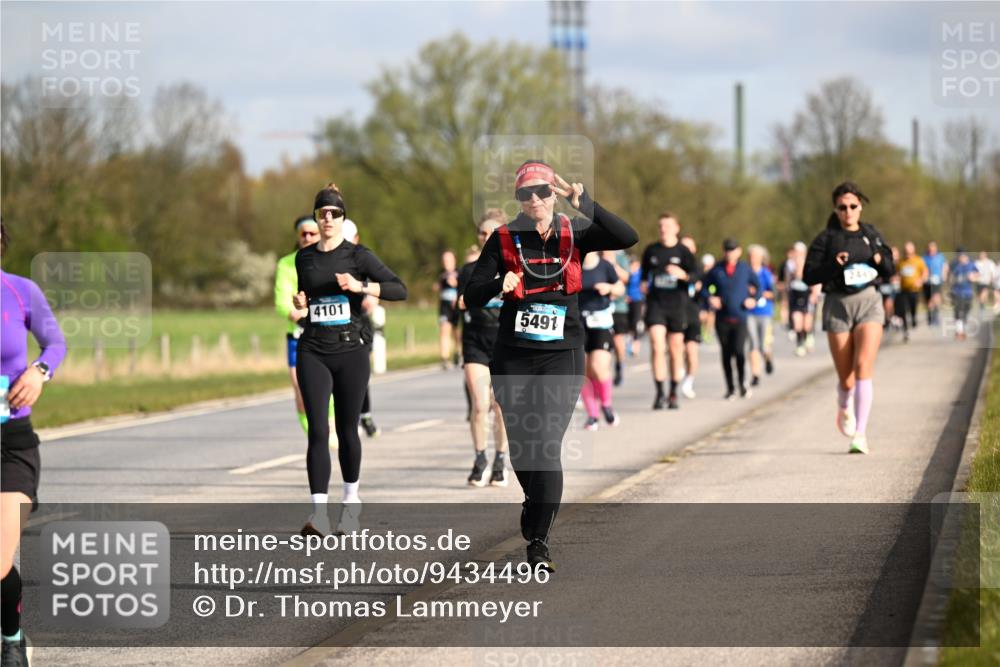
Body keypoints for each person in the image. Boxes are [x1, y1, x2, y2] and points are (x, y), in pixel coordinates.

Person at [464, 160, 637, 571]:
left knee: (545, 443)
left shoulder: (575, 232)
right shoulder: (503, 239)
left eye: (543, 191)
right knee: (524, 448)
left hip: (563, 353)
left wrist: (585, 203)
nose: (536, 199)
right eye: (527, 193)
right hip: (513, 355)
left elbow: (627, 236)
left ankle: (539, 541)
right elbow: (471, 295)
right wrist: (498, 284)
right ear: (518, 199)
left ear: (553, 195)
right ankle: (535, 500)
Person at [293, 184, 407, 537]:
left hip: (351, 351)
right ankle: (319, 514)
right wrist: (301, 303)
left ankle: (351, 503)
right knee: (318, 430)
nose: (328, 218)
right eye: (322, 213)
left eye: (334, 213)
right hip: (313, 349)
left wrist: (361, 287)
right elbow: (307, 297)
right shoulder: (304, 258)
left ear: (343, 219)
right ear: (316, 217)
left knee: (346, 429)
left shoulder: (359, 256)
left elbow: (399, 289)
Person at [1, 221, 67, 666]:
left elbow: (55, 343)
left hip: (12, 445)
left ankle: (11, 639)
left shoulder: (20, 291)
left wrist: (39, 372)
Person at [804, 181, 894, 455]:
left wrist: (878, 260)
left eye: (853, 206)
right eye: (842, 207)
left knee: (863, 365)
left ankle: (860, 434)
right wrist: (834, 264)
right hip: (837, 305)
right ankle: (844, 405)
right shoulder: (826, 239)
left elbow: (890, 269)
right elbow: (809, 276)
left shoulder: (871, 235)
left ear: (860, 207)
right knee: (847, 379)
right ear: (836, 209)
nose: (848, 211)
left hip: (868, 302)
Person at [275, 215, 338, 447]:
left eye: (313, 233)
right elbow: (282, 301)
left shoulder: (329, 258)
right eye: (304, 234)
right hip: (298, 335)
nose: (308, 237)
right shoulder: (286, 264)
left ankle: (331, 425)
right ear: (298, 236)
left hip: (326, 332)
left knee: (329, 386)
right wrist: (294, 311)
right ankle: (315, 435)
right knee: (300, 390)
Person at [457, 210, 509, 487]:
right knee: (480, 405)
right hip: (475, 341)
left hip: (504, 341)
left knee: (500, 406)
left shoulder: (513, 266)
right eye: (482, 233)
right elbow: (460, 303)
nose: (486, 237)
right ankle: (480, 460)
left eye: (492, 232)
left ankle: (500, 460)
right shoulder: (468, 270)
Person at [640, 213, 698, 410]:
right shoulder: (651, 250)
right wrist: (643, 284)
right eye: (661, 226)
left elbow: (696, 275)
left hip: (677, 306)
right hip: (656, 304)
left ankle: (673, 391)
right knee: (657, 346)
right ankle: (659, 392)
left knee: (675, 350)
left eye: (667, 226)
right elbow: (644, 275)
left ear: (676, 228)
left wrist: (683, 275)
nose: (663, 229)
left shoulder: (683, 251)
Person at [705, 239, 759, 399]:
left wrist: (753, 299)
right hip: (722, 318)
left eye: (733, 250)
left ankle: (742, 384)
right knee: (726, 353)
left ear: (739, 251)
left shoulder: (745, 268)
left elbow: (759, 286)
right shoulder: (717, 269)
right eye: (727, 250)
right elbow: (704, 287)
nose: (730, 253)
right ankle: (730, 388)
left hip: (740, 317)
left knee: (739, 351)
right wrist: (710, 298)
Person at [343, 218, 381, 438]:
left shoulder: (363, 260)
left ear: (356, 239)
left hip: (360, 324)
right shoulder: (328, 259)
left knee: (360, 375)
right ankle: (349, 418)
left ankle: (365, 414)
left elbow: (380, 287)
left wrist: (370, 299)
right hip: (336, 327)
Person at [580, 252, 625, 430]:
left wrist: (609, 288)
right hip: (577, 321)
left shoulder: (605, 265)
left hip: (601, 321)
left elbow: (620, 288)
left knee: (598, 366)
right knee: (583, 371)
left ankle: (606, 405)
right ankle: (592, 415)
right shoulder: (572, 263)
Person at [745, 244, 776, 386]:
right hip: (749, 312)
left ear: (761, 258)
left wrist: (759, 293)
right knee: (753, 343)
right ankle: (755, 374)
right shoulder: (744, 272)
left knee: (763, 345)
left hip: (764, 312)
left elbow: (773, 293)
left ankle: (768, 358)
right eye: (750, 256)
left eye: (755, 257)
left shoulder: (765, 273)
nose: (753, 259)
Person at [678, 236, 703, 399]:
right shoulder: (672, 266)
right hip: (676, 313)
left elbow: (704, 287)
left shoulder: (698, 268)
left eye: (689, 247)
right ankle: (678, 368)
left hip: (693, 314)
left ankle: (689, 381)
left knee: (691, 350)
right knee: (677, 348)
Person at [604, 250, 632, 386]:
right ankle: (604, 373)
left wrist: (613, 264)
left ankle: (619, 365)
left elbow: (626, 278)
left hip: (618, 306)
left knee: (618, 340)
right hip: (600, 307)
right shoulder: (595, 255)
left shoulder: (621, 257)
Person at [895, 241, 927, 342]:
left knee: (913, 308)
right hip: (903, 290)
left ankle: (913, 318)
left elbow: (925, 272)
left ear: (913, 251)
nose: (907, 254)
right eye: (906, 251)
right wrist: (896, 279)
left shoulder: (918, 260)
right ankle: (905, 331)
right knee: (903, 310)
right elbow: (897, 273)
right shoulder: (901, 262)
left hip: (914, 290)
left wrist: (920, 281)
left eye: (909, 252)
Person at [436, 250, 461, 369]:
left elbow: (463, 287)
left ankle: (458, 352)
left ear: (454, 260)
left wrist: (456, 284)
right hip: (444, 306)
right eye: (444, 260)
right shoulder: (441, 274)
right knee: (444, 330)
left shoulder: (459, 272)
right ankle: (444, 358)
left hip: (456, 305)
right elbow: (440, 288)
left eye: (448, 259)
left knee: (456, 331)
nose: (446, 262)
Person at [950, 249, 978, 341]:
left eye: (963, 257)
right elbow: (950, 276)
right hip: (957, 292)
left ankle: (961, 328)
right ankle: (959, 331)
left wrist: (973, 276)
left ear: (966, 257)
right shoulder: (955, 265)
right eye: (960, 257)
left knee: (967, 310)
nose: (962, 258)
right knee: (958, 311)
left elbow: (977, 273)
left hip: (968, 292)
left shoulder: (971, 265)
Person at [922, 241, 948, 326]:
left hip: (937, 281)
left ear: (936, 248)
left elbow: (945, 266)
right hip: (927, 282)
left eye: (933, 247)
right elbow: (922, 268)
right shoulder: (924, 258)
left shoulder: (940, 257)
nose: (931, 249)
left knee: (936, 298)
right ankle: (930, 316)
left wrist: (944, 274)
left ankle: (936, 316)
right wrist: (924, 276)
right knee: (929, 301)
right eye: (930, 247)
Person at [625, 255, 645, 357]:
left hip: (638, 300)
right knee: (629, 324)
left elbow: (644, 286)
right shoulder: (628, 273)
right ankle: (629, 344)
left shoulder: (641, 273)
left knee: (636, 322)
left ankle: (636, 346)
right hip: (628, 301)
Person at [974, 250, 996, 314]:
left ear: (986, 255)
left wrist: (992, 279)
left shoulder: (990, 262)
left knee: (983, 295)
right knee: (979, 296)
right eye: (980, 254)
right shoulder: (977, 262)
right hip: (978, 282)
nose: (981, 255)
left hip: (986, 282)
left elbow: (993, 271)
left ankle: (982, 308)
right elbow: (973, 271)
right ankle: (982, 305)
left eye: (983, 254)